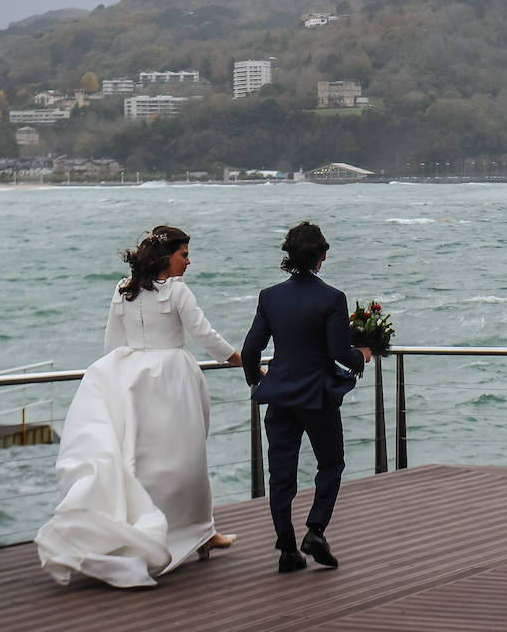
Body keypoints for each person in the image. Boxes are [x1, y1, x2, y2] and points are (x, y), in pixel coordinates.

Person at [35, 225, 242, 588]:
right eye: (184, 254)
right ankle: (193, 532)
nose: (189, 261)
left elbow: (112, 343)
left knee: (147, 464)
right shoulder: (178, 292)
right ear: (167, 257)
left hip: (131, 381)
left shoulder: (122, 290)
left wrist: (114, 383)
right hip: (172, 380)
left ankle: (192, 532)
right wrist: (238, 358)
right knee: (186, 460)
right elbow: (204, 334)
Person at [241, 221, 371, 573]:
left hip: (280, 394)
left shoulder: (270, 296)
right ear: (323, 255)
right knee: (331, 463)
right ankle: (315, 530)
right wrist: (364, 356)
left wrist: (257, 380)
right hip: (317, 396)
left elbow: (251, 348)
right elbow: (338, 350)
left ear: (289, 257)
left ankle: (287, 548)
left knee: (281, 474)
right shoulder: (332, 298)